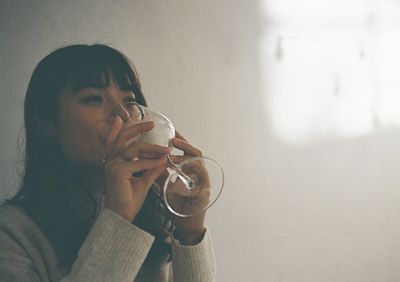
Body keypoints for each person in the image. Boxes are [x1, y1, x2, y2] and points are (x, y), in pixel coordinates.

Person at [0, 44, 216, 281]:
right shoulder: (12, 232)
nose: (122, 113)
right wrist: (118, 219)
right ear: (46, 124)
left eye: (129, 100)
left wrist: (190, 233)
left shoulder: (157, 216)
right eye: (94, 98)